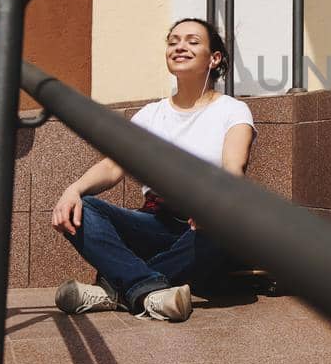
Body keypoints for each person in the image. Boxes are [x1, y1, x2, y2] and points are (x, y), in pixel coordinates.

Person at [50, 17, 255, 322]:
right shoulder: (151, 114)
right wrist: (73, 190)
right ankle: (148, 292)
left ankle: (116, 290)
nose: (180, 46)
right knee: (86, 209)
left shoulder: (232, 110)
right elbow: (113, 165)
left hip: (203, 227)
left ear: (214, 58)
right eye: (173, 41)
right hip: (155, 222)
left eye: (192, 41)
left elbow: (233, 168)